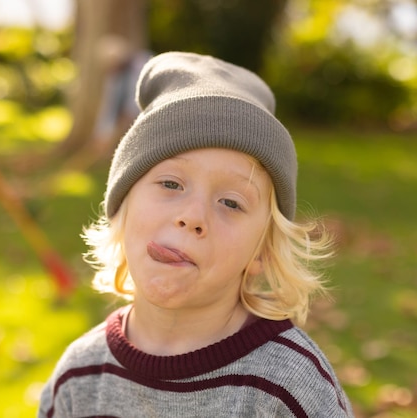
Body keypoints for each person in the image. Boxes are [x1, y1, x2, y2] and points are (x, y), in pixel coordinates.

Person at [38, 51, 354, 417]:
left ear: (262, 252)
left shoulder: (289, 389)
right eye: (170, 183)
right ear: (122, 208)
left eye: (231, 203)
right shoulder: (81, 376)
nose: (192, 216)